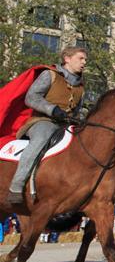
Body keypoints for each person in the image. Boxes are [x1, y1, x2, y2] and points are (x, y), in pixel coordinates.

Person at [5, 46, 87, 205]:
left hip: (65, 126)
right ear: (67, 59)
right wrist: (52, 110)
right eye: (80, 58)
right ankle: (16, 186)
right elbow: (31, 98)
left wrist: (79, 120)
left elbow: (77, 110)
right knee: (42, 137)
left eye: (85, 59)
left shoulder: (81, 87)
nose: (84, 62)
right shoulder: (49, 75)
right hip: (42, 121)